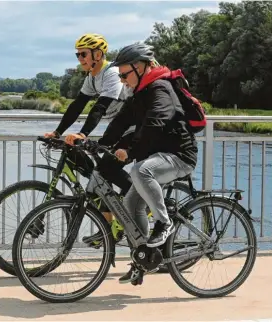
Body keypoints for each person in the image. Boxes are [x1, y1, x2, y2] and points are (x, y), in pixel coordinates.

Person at [97, 43, 198, 284]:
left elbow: (155, 123)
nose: (122, 80)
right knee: (130, 204)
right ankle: (142, 260)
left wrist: (130, 151)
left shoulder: (160, 88)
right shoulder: (140, 92)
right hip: (159, 155)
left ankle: (164, 222)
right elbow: (122, 121)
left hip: (179, 155)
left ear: (141, 66)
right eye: (119, 76)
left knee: (140, 170)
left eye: (124, 74)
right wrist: (101, 143)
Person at [44, 33, 134, 245]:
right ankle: (110, 229)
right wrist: (57, 132)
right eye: (78, 55)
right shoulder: (92, 77)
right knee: (99, 175)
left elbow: (100, 108)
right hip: (119, 129)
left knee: (105, 170)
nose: (80, 58)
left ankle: (135, 200)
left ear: (98, 54)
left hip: (134, 128)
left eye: (83, 54)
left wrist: (83, 134)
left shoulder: (111, 73)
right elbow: (77, 106)